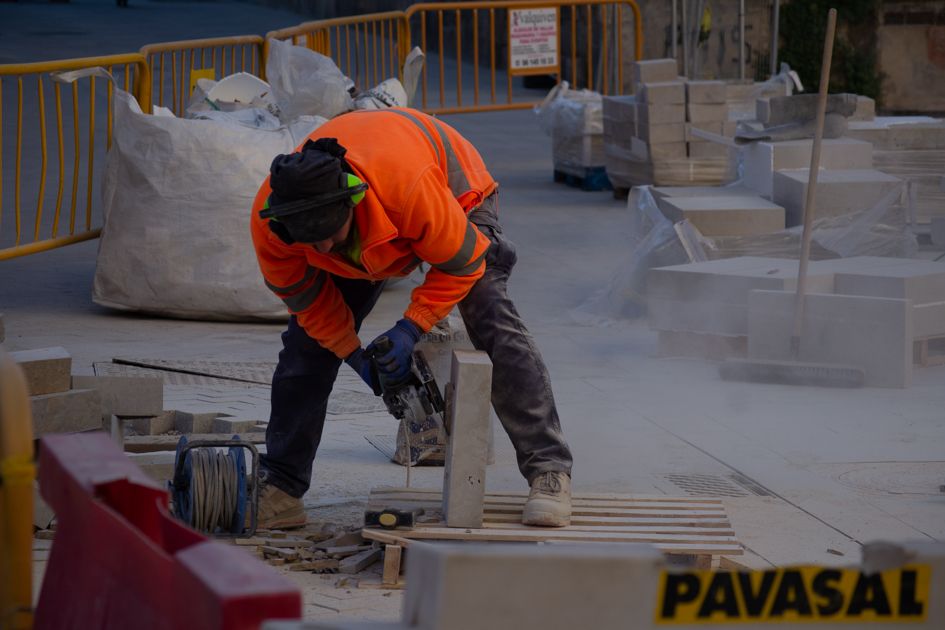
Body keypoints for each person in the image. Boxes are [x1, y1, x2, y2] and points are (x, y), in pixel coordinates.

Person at [249, 107, 573, 529]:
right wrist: (354, 356)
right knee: (304, 349)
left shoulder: (407, 189)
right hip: (378, 233)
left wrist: (412, 326)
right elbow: (311, 306)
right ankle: (283, 488)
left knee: (487, 310)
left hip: (455, 199)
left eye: (330, 233)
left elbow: (461, 264)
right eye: (311, 240)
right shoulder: (273, 227)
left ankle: (549, 470)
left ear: (352, 200)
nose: (324, 248)